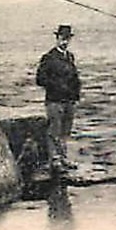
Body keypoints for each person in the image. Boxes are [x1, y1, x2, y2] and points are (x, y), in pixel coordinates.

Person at [36, 24, 81, 176]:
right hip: (54, 100)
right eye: (62, 38)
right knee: (54, 130)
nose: (65, 42)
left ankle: (64, 158)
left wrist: (75, 95)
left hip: (69, 100)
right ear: (57, 38)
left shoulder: (70, 57)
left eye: (67, 39)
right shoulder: (48, 58)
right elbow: (40, 79)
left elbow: (75, 78)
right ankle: (54, 160)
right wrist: (57, 86)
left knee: (65, 131)